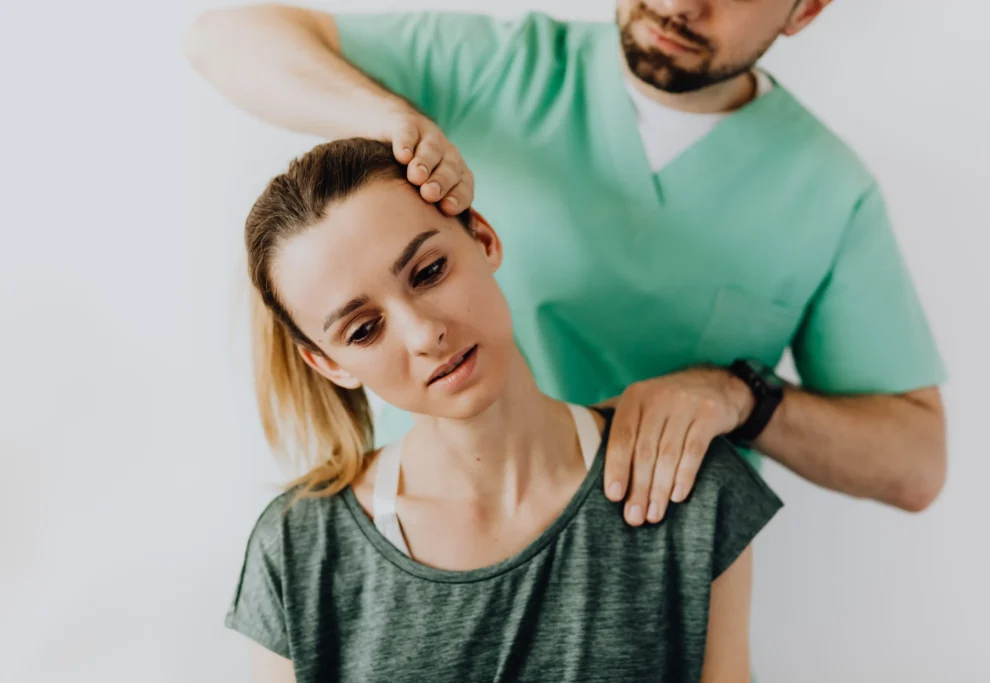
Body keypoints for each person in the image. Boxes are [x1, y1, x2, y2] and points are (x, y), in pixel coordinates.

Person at [185, 0, 947, 526]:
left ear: (806, 9)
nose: (678, 3)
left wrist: (741, 395)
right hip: (434, 540)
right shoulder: (495, 69)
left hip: (646, 575)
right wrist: (389, 121)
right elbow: (223, 36)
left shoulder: (829, 192)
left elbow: (917, 463)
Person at [229, 137, 781, 683]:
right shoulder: (296, 551)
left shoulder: (687, 484)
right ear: (330, 365)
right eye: (364, 330)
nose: (424, 334)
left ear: (483, 238)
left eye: (429, 272)